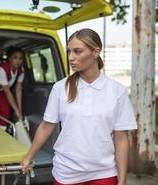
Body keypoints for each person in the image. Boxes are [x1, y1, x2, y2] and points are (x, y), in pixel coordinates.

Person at [21, 28, 137, 185]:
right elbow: (47, 126)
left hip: (104, 173)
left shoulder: (117, 91)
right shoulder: (60, 88)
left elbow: (121, 138)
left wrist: (122, 179)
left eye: (77, 52)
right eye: (69, 52)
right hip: (66, 172)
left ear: (96, 52)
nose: (71, 57)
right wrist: (30, 155)